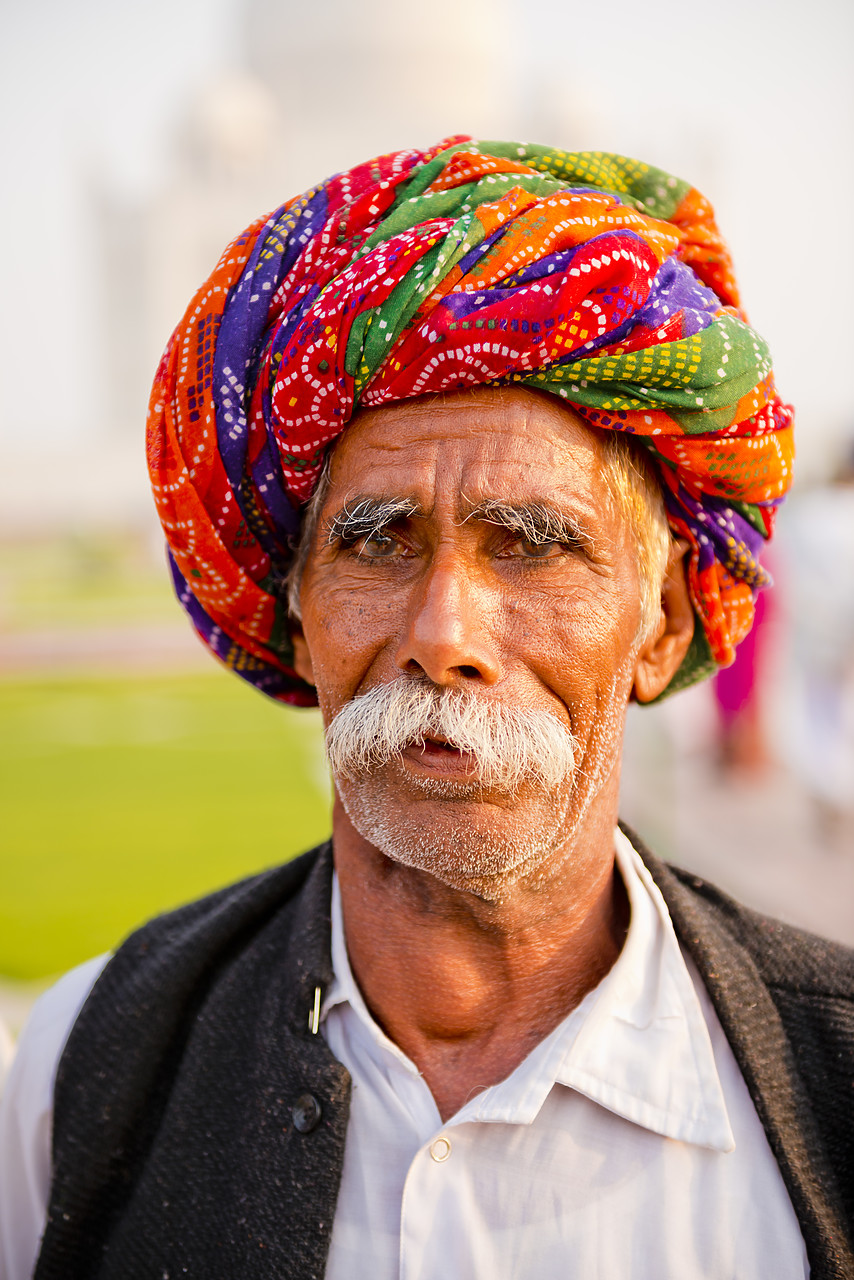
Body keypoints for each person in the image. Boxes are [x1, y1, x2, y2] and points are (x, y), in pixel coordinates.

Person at [1, 138, 852, 1280]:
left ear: (655, 623)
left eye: (533, 544)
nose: (444, 632)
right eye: (374, 540)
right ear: (298, 612)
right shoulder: (91, 1068)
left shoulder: (826, 1083)